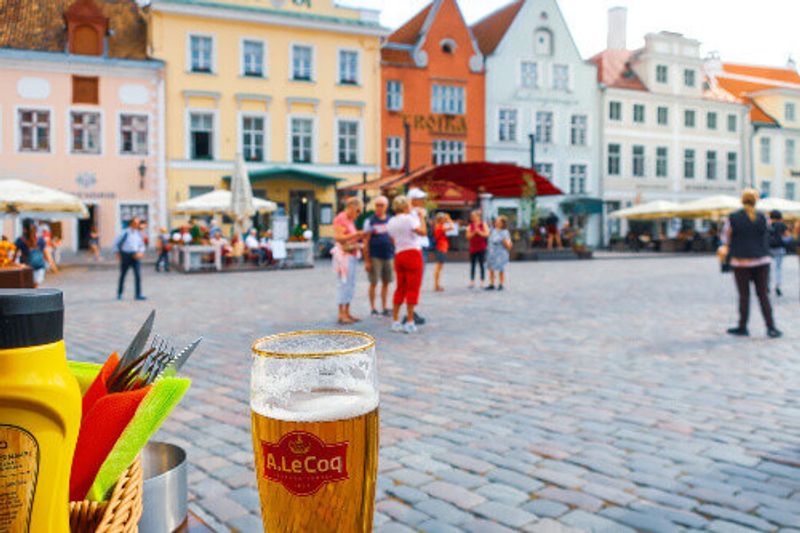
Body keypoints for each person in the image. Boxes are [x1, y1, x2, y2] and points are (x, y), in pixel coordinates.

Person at [722, 190, 781, 338]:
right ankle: (771, 327)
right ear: (756, 201)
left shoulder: (733, 218)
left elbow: (725, 238)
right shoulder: (763, 217)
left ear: (742, 201)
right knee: (763, 295)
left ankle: (743, 326)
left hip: (741, 261)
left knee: (744, 296)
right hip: (761, 260)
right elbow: (766, 235)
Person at [387, 195, 426, 334]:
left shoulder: (390, 221)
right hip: (413, 253)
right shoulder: (409, 219)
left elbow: (393, 239)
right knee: (413, 287)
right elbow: (423, 232)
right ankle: (410, 321)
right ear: (404, 206)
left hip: (399, 254)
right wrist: (421, 217)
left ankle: (395, 321)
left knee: (400, 287)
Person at [332, 197, 365, 324]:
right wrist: (356, 235)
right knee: (344, 284)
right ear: (351, 207)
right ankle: (341, 313)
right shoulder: (341, 218)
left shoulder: (350, 220)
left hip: (351, 254)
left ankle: (347, 311)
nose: (358, 214)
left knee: (350, 284)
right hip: (344, 256)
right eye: (358, 211)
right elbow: (339, 237)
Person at [363, 196, 394, 316]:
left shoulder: (390, 221)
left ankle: (385, 306)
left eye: (382, 205)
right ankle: (373, 307)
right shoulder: (370, 221)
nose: (379, 208)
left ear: (386, 206)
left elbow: (393, 238)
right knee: (374, 282)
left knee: (386, 282)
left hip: (388, 255)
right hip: (375, 256)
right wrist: (367, 261)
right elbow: (366, 241)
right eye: (377, 205)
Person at [407, 188, 429, 325]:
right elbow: (422, 232)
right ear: (413, 200)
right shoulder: (413, 215)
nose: (422, 201)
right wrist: (421, 217)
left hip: (420, 249)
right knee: (414, 283)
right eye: (419, 198)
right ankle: (410, 314)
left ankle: (411, 312)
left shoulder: (415, 213)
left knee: (415, 283)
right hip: (417, 249)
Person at [114, 217, 146, 301]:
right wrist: (118, 253)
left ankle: (138, 294)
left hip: (135, 255)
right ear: (131, 223)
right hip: (126, 255)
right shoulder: (125, 232)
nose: (137, 225)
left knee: (138, 275)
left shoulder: (138, 233)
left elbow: (141, 245)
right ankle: (119, 293)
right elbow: (116, 243)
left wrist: (141, 252)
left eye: (138, 223)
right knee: (123, 275)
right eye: (136, 223)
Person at [14, 223, 50, 287]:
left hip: (27, 267)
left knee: (30, 286)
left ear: (24, 230)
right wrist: (51, 264)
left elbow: (15, 254)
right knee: (34, 286)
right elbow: (46, 253)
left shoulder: (20, 240)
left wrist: (13, 262)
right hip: (37, 267)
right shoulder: (40, 240)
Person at [486, 215, 513, 291]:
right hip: (492, 252)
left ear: (502, 223)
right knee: (491, 268)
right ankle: (491, 284)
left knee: (501, 269)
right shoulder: (492, 230)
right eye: (496, 221)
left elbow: (508, 244)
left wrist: (505, 242)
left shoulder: (505, 232)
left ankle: (501, 284)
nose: (496, 222)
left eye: (498, 221)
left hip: (501, 253)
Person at [768, 210, 789, 296]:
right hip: (780, 248)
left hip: (769, 249)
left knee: (768, 268)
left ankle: (767, 286)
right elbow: (787, 235)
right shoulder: (782, 225)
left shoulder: (768, 225)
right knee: (778, 268)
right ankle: (777, 285)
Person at [466, 209, 489, 289]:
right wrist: (473, 233)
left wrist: (479, 232)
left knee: (482, 264)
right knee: (472, 265)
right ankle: (472, 281)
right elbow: (468, 237)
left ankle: (482, 281)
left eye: (474, 216)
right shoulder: (470, 226)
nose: (473, 218)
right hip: (473, 248)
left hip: (481, 247)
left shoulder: (484, 224)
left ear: (478, 217)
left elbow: (487, 234)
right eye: (472, 216)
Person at [432, 212, 454, 292]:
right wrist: (449, 219)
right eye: (444, 219)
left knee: (439, 267)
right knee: (438, 267)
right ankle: (436, 285)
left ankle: (436, 285)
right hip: (441, 248)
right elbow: (452, 227)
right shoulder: (440, 227)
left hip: (441, 247)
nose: (445, 220)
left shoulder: (439, 226)